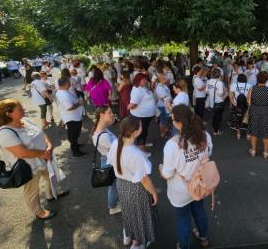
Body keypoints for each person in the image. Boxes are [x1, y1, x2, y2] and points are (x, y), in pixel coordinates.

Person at [0, 99, 69, 220]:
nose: (24, 109)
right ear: (9, 114)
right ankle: (38, 212)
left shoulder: (25, 120)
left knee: (51, 177)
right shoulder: (5, 132)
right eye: (20, 109)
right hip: (28, 167)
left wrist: (49, 145)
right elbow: (21, 152)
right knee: (32, 190)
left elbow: (41, 133)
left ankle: (51, 195)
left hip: (44, 158)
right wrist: (44, 153)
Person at [159, 105, 212, 249]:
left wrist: (161, 169)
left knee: (183, 219)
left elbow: (167, 174)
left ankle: (183, 246)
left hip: (180, 190)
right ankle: (204, 238)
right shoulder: (204, 135)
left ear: (178, 123)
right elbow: (208, 155)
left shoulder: (172, 145)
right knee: (199, 210)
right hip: (200, 184)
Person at [107, 116, 157, 249]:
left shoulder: (115, 143)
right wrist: (154, 193)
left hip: (121, 185)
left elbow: (112, 162)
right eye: (140, 126)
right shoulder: (137, 155)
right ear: (135, 132)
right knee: (140, 214)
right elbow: (145, 180)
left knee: (128, 211)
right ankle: (137, 242)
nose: (142, 127)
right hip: (136, 188)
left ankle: (128, 235)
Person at [91, 106, 121, 214]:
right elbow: (114, 152)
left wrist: (111, 120)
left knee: (112, 184)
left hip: (106, 159)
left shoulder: (100, 128)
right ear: (101, 115)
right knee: (113, 185)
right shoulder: (103, 136)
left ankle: (113, 204)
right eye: (109, 112)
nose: (112, 114)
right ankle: (112, 207)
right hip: (110, 161)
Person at [247, 71, 268, 158]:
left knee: (254, 132)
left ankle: (253, 151)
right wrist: (266, 104)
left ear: (257, 79)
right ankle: (265, 152)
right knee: (266, 132)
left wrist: (255, 103)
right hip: (266, 111)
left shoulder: (252, 88)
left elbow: (248, 102)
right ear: (266, 80)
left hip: (255, 111)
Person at [56, 77, 86, 157]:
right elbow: (69, 107)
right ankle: (75, 151)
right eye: (69, 82)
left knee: (73, 134)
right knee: (74, 134)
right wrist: (79, 103)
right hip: (72, 118)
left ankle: (75, 145)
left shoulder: (62, 91)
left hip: (72, 117)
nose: (71, 83)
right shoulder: (63, 94)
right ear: (66, 84)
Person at [128, 73, 156, 153]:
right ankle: (142, 152)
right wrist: (128, 107)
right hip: (141, 116)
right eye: (143, 79)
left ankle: (143, 144)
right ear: (138, 80)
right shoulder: (137, 90)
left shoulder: (142, 87)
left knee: (144, 131)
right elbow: (132, 105)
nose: (146, 81)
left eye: (145, 79)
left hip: (145, 116)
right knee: (141, 133)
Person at [229, 73, 251, 139]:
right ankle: (248, 135)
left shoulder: (234, 85)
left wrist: (233, 102)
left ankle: (238, 134)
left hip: (237, 105)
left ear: (238, 79)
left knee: (237, 119)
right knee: (247, 119)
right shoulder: (249, 85)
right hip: (246, 105)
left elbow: (230, 95)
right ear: (245, 79)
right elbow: (250, 96)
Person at [206, 69, 226, 135]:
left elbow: (206, 92)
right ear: (219, 75)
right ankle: (216, 131)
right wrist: (225, 92)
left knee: (215, 115)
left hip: (212, 102)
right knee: (218, 117)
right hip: (218, 102)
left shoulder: (208, 81)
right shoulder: (219, 83)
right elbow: (220, 94)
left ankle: (214, 127)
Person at [155, 73, 172, 138]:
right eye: (164, 78)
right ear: (160, 80)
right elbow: (163, 99)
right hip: (163, 106)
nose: (166, 79)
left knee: (165, 119)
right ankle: (163, 133)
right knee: (163, 120)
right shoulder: (159, 88)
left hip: (165, 105)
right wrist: (170, 104)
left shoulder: (163, 85)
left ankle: (166, 130)